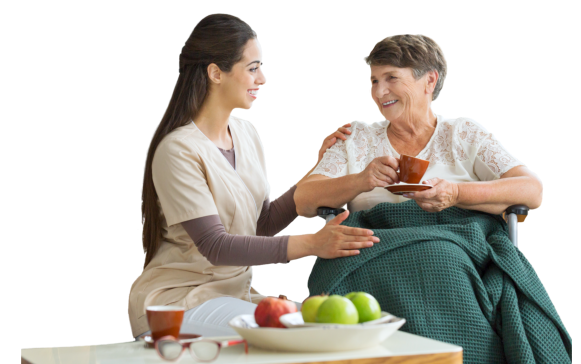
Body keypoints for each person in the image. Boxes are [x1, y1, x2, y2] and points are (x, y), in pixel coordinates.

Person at [129, 14, 376, 340]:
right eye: (252, 68)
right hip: (181, 302)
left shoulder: (247, 134)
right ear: (216, 73)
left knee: (336, 326)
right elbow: (216, 246)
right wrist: (312, 244)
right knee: (307, 332)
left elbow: (259, 225)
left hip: (235, 296)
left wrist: (318, 169)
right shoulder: (177, 150)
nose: (262, 79)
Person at [295, 34, 543, 217]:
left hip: (455, 250)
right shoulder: (356, 137)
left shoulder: (464, 134)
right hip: (374, 253)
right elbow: (302, 200)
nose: (379, 92)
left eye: (391, 77)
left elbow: (532, 191)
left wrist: (456, 194)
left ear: (429, 81)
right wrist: (361, 180)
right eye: (374, 80)